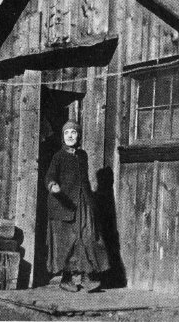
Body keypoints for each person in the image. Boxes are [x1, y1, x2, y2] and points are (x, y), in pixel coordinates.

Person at [45, 120, 110, 292]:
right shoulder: (58, 156)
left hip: (83, 203)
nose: (70, 136)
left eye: (73, 132)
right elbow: (50, 175)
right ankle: (66, 279)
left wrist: (90, 202)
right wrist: (52, 185)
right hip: (64, 204)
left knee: (88, 238)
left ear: (78, 135)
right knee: (68, 242)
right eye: (66, 133)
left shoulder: (82, 155)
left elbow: (84, 180)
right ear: (62, 136)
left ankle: (87, 277)